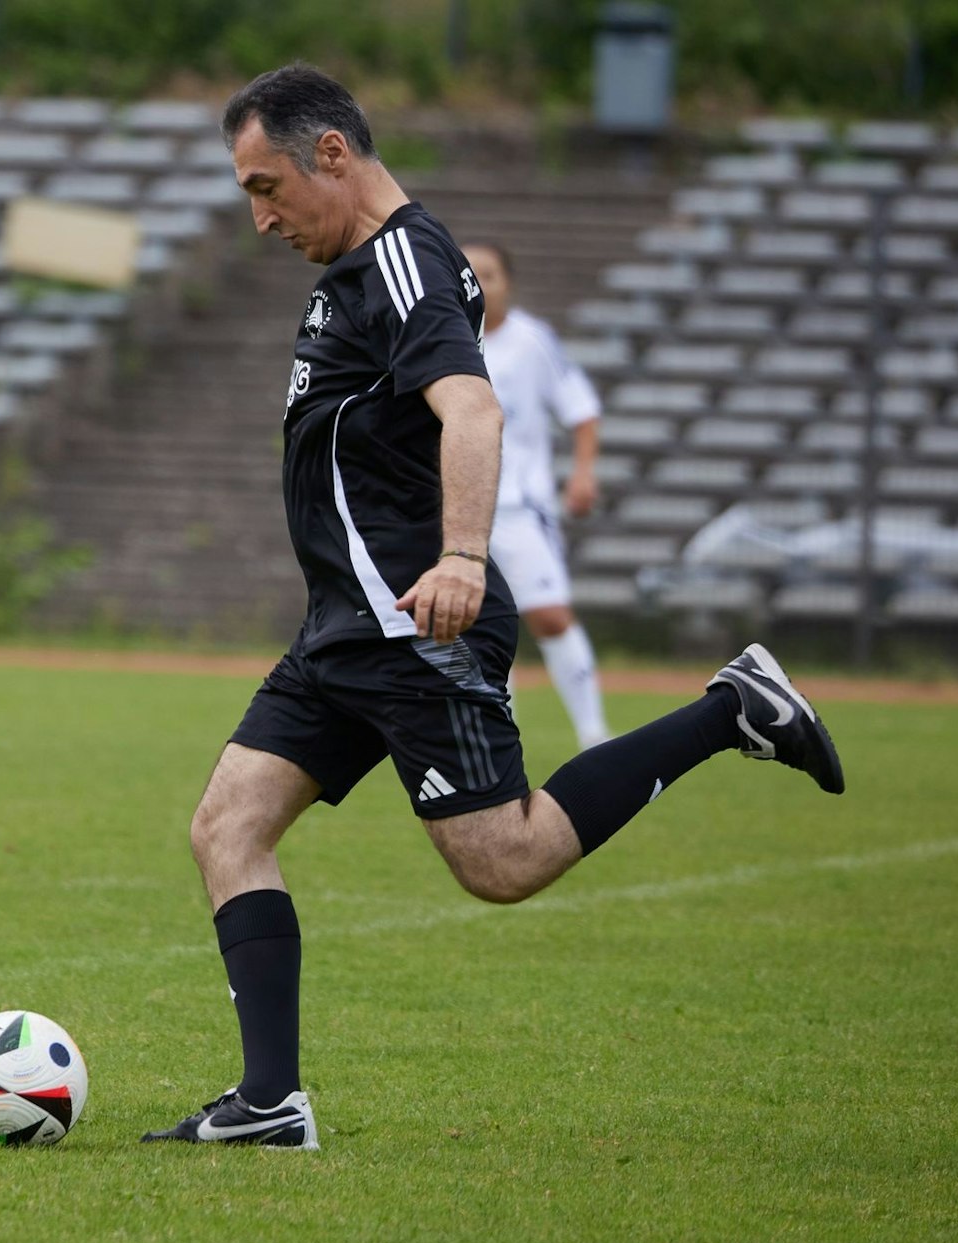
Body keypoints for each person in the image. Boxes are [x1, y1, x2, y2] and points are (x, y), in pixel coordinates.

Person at [142, 64, 845, 1152]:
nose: (258, 216)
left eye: (265, 185)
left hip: (414, 620)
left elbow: (470, 406)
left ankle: (731, 707)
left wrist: (464, 554)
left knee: (504, 860)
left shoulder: (405, 261)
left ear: (330, 152)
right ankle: (270, 1100)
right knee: (226, 827)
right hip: (344, 623)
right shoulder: (360, 271)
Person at [463, 241, 610, 749]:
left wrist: (583, 473)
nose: (479, 284)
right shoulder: (445, 339)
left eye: (490, 274)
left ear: (509, 283)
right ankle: (500, 740)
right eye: (469, 273)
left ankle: (594, 734)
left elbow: (581, 409)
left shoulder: (532, 341)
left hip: (520, 506)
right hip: (459, 510)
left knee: (549, 615)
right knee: (480, 627)